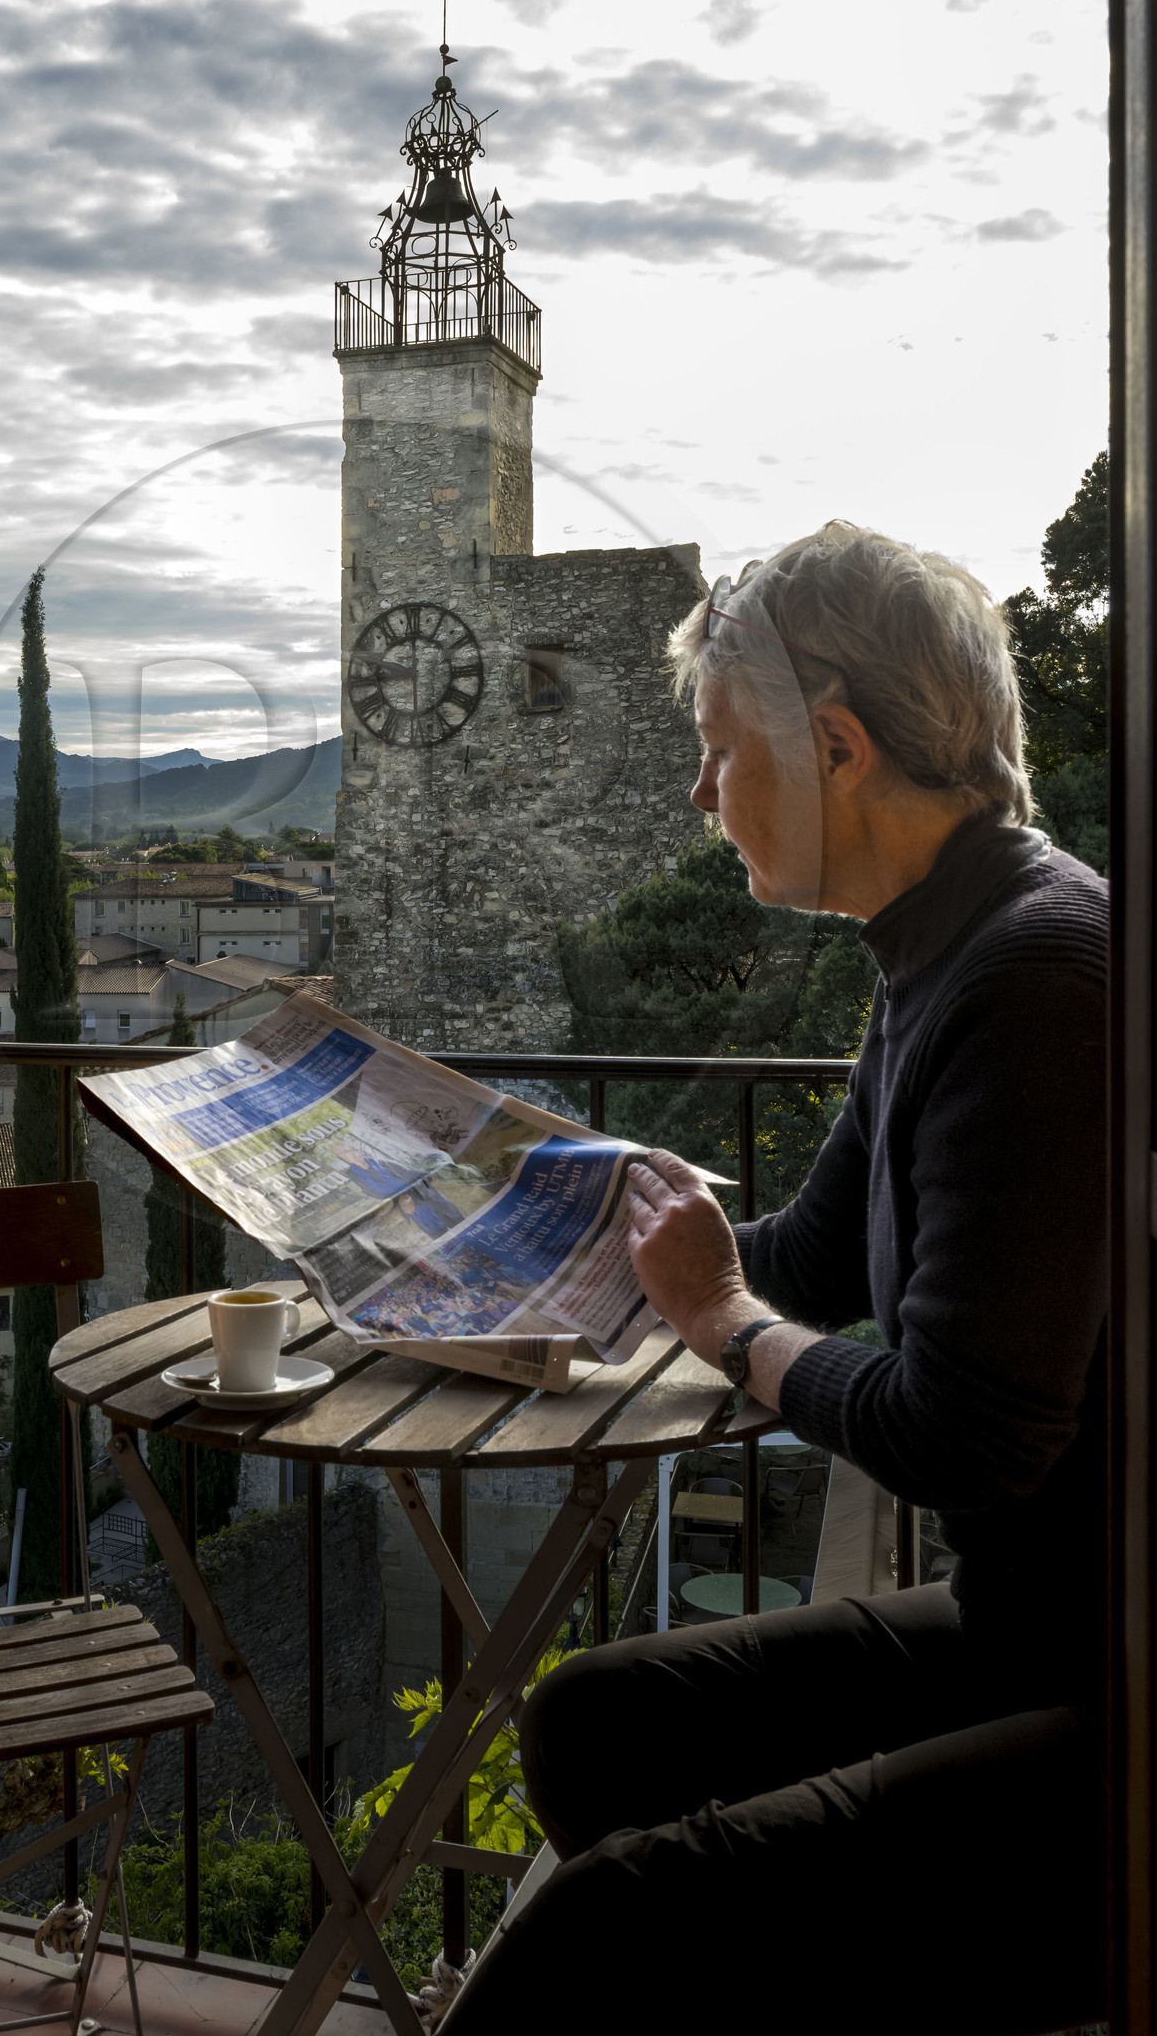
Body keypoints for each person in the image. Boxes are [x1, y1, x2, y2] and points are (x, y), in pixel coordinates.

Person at [445, 523, 1108, 2036]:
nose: (699, 796)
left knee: (601, 1938)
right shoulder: (942, 949)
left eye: (720, 753)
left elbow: (969, 1434)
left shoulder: (1036, 979)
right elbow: (806, 1256)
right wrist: (585, 1233)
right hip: (1033, 1620)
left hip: (1104, 1668)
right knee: (593, 1727)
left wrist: (721, 1323)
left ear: (837, 748)